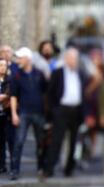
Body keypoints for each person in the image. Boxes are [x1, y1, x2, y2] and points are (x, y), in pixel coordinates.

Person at [44, 47, 88, 178]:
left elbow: (83, 94)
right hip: (61, 109)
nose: (74, 61)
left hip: (76, 110)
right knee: (57, 140)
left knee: (74, 141)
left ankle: (69, 169)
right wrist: (53, 111)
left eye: (76, 59)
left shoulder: (80, 73)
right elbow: (50, 93)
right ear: (66, 59)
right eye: (72, 58)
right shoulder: (58, 73)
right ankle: (49, 169)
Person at [10, 47, 48, 180]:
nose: (19, 60)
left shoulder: (39, 74)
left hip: (39, 112)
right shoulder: (16, 75)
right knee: (19, 141)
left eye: (21, 57)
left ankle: (41, 168)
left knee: (41, 142)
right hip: (24, 112)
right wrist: (14, 113)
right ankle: (14, 170)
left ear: (28, 59)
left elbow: (45, 92)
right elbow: (13, 96)